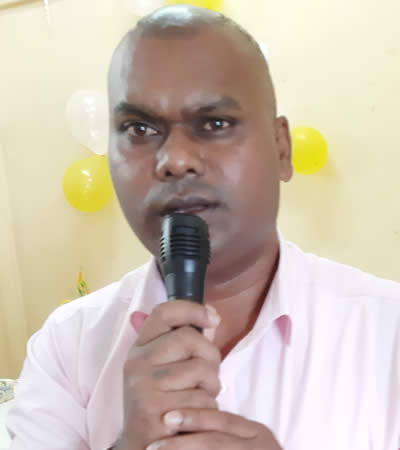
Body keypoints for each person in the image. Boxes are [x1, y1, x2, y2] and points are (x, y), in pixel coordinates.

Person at [6, 5, 400, 450]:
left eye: (214, 123)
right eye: (138, 128)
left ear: (282, 149)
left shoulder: (388, 331)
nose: (175, 160)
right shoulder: (68, 345)